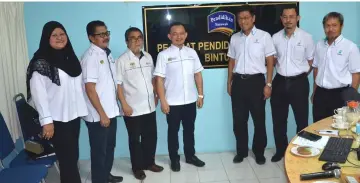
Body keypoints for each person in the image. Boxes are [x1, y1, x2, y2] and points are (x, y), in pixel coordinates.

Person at [26, 21, 88, 183]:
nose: (59, 38)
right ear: (47, 38)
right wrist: (47, 122)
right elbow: (38, 95)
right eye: (54, 35)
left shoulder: (70, 57)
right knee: (67, 160)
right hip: (56, 120)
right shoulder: (41, 62)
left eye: (62, 34)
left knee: (72, 156)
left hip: (73, 116)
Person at [227, 5, 276, 165]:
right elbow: (231, 61)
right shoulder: (234, 38)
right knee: (239, 120)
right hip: (239, 82)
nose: (243, 21)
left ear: (253, 18)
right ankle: (241, 152)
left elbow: (270, 61)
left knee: (259, 120)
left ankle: (259, 152)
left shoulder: (264, 36)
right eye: (240, 18)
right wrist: (229, 82)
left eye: (246, 18)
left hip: (257, 82)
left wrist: (268, 83)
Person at [154, 22, 205, 172]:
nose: (178, 36)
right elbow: (159, 80)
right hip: (172, 103)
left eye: (181, 33)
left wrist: (200, 95)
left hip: (190, 100)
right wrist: (163, 101)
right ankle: (174, 159)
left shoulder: (192, 53)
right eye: (174, 34)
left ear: (186, 35)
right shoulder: (164, 55)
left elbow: (198, 74)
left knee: (189, 130)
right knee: (173, 132)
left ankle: (190, 156)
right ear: (169, 36)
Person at [116, 27, 164, 180]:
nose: (137, 41)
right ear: (126, 41)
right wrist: (123, 104)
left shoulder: (148, 57)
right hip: (132, 108)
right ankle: (137, 167)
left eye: (139, 38)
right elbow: (118, 85)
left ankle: (149, 163)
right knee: (135, 140)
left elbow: (153, 79)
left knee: (151, 136)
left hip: (149, 105)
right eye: (133, 38)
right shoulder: (121, 60)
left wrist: (156, 95)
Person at [270, 4, 315, 162]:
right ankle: (280, 151)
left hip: (299, 83)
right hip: (280, 82)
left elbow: (311, 62)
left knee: (301, 120)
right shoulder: (275, 38)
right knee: (279, 120)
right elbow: (273, 61)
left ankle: (301, 151)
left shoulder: (306, 37)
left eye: (291, 17)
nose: (288, 20)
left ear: (297, 18)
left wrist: (300, 75)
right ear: (281, 19)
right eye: (285, 17)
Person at [80, 20, 123, 183]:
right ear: (91, 38)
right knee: (99, 151)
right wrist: (102, 114)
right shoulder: (90, 57)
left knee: (109, 147)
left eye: (106, 33)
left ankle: (106, 175)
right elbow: (90, 89)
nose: (105, 37)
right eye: (100, 34)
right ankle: (99, 179)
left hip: (110, 112)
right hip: (99, 115)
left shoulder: (107, 53)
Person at [312, 12, 360, 123]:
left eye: (334, 25)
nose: (331, 29)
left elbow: (356, 74)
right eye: (327, 25)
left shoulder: (350, 47)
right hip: (320, 94)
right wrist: (314, 92)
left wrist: (351, 99)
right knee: (318, 126)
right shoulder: (320, 45)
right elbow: (316, 69)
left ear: (341, 26)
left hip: (341, 95)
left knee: (340, 129)